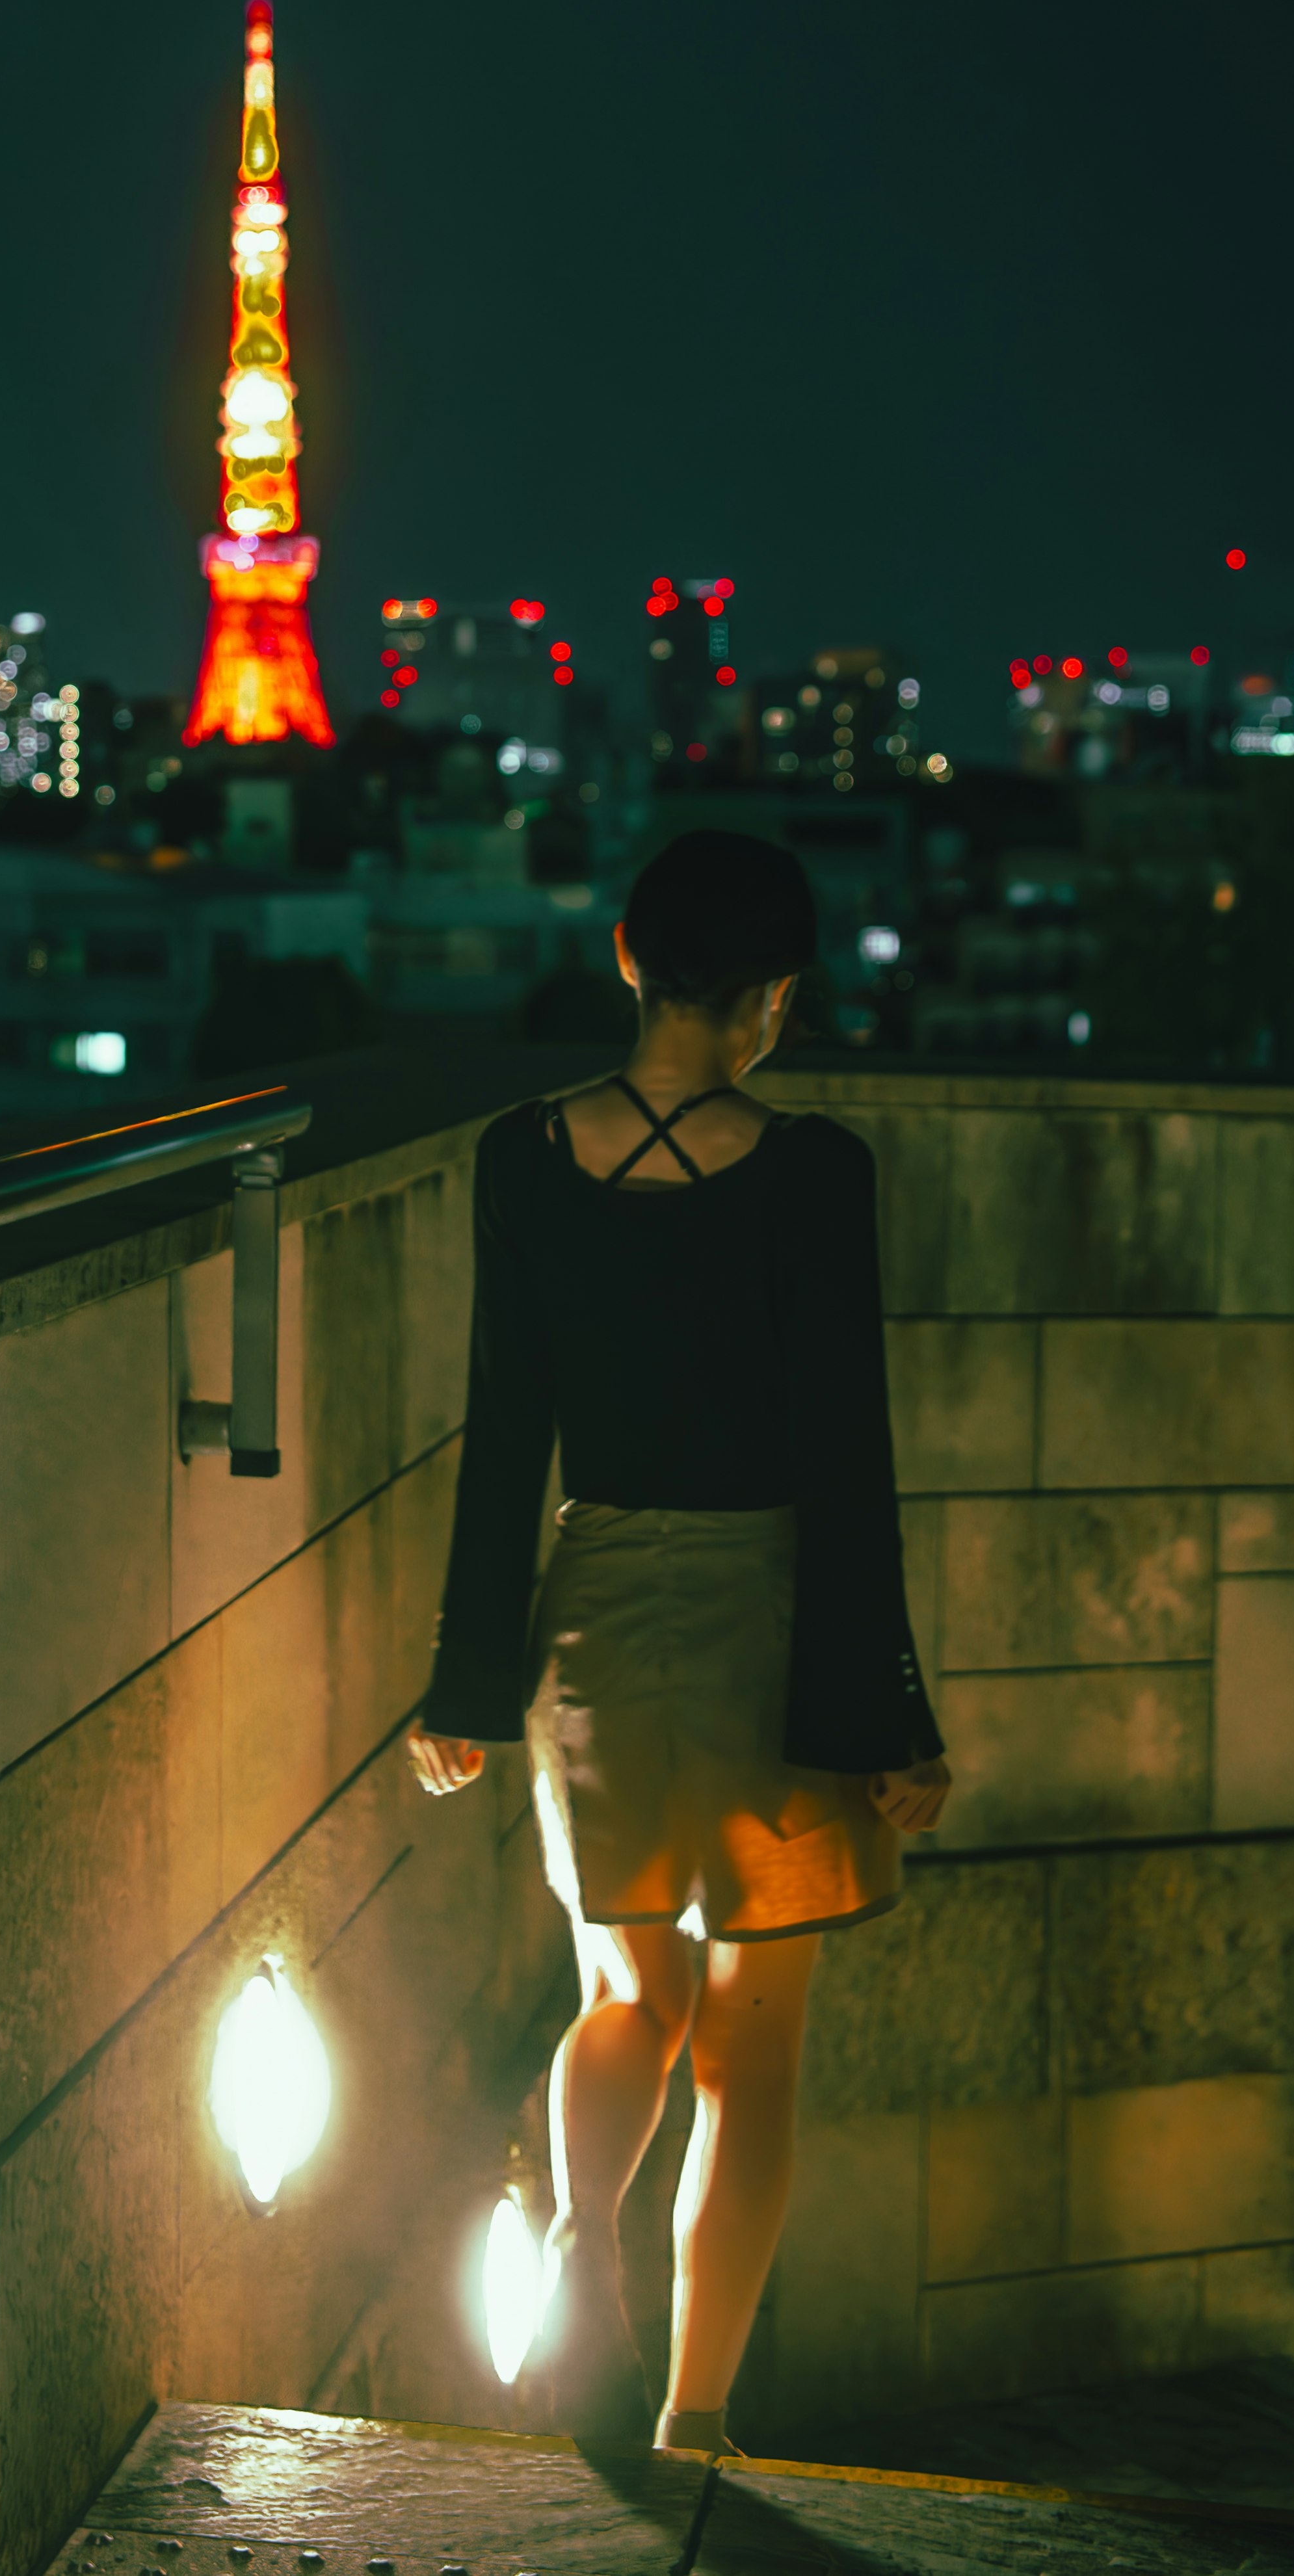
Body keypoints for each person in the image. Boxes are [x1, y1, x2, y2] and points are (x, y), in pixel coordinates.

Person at [408, 828, 949, 2457]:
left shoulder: (522, 1157)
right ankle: (697, 2417)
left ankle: (586, 2232)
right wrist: (891, 1715)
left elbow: (506, 1430)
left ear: (630, 958)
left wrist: (465, 1686)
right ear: (773, 995)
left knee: (623, 1993)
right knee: (752, 2049)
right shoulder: (815, 1174)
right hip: (771, 1622)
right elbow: (849, 1460)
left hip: (595, 1612)